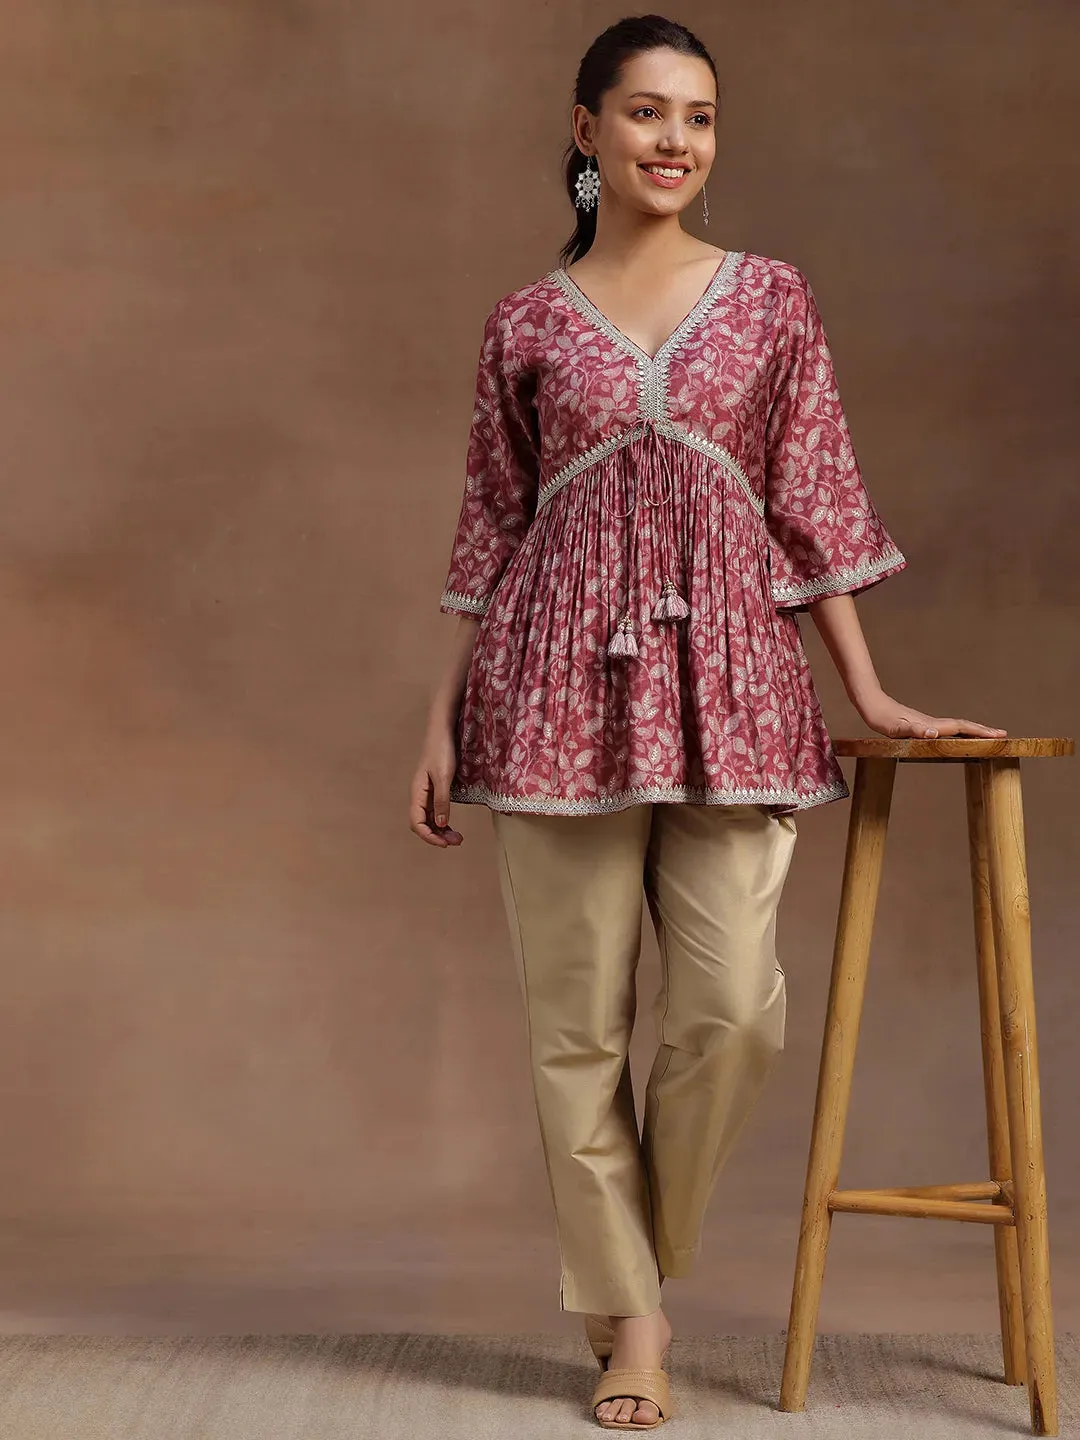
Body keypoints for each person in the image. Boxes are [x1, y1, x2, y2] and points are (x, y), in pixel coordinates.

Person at [409, 14, 1006, 1430]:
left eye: (699, 116)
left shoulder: (773, 298)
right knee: (577, 1028)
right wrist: (437, 719)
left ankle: (633, 1257)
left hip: (734, 689)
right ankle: (635, 1324)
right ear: (586, 131)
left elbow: (813, 499)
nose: (674, 140)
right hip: (549, 690)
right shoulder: (526, 321)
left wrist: (868, 691)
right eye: (646, 112)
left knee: (734, 1013)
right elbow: (491, 527)